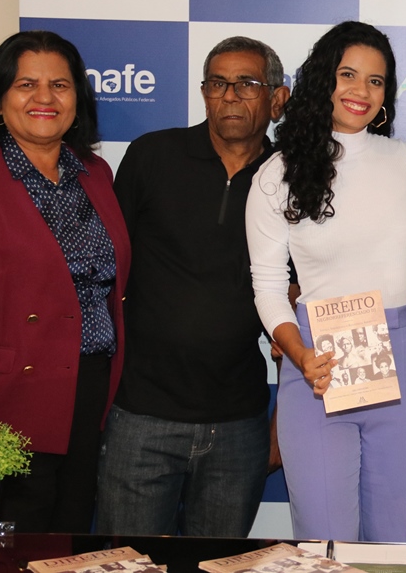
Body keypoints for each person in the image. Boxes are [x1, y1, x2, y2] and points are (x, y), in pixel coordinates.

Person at [0, 30, 131, 532]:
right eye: (26, 84)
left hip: (89, 394)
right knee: (9, 549)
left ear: (77, 100)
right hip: (3, 404)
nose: (44, 97)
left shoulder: (95, 173)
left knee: (66, 544)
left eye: (60, 85)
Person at [96, 36, 289, 537]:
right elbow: (105, 271)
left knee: (218, 568)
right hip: (140, 417)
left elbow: (298, 306)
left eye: (247, 83)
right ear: (204, 94)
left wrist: (282, 424)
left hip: (239, 425)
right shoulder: (152, 156)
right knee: (128, 566)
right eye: (217, 84)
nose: (230, 96)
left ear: (277, 98)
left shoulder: (292, 178)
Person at [246, 21, 406, 542]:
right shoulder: (278, 173)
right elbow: (267, 284)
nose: (361, 91)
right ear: (323, 79)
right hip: (317, 364)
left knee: (393, 542)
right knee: (325, 542)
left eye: (376, 80)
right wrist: (298, 353)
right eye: (348, 75)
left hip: (400, 361)